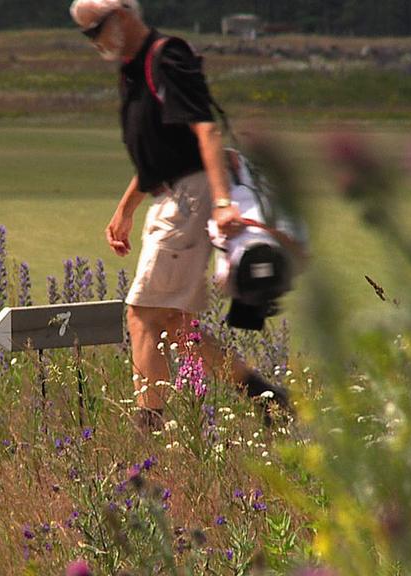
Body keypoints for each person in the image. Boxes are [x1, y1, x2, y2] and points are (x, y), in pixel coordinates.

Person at [69, 0, 290, 431]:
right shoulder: (133, 71)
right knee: (174, 322)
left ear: (124, 15)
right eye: (88, 34)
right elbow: (159, 153)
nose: (95, 41)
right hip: (171, 195)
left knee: (142, 315)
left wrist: (223, 201)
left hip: (187, 199)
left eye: (97, 29)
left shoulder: (166, 58)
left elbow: (204, 130)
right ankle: (266, 399)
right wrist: (125, 209)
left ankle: (149, 431)